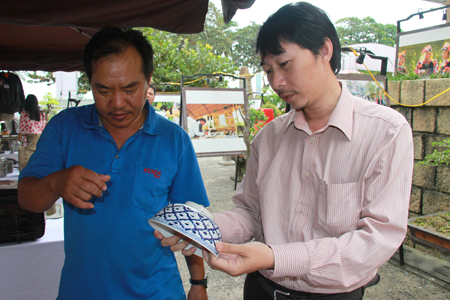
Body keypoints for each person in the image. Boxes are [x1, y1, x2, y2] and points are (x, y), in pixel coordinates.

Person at [157, 2, 414, 300]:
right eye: (268, 70)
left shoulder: (385, 131)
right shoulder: (269, 138)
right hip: (261, 290)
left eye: (285, 64)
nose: (276, 82)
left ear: (324, 50)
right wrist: (204, 228)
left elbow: (379, 238)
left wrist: (276, 257)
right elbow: (251, 214)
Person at [18, 27, 209, 300]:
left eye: (130, 89)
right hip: (82, 292)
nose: (117, 103)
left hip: (157, 291)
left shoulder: (174, 140)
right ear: (90, 82)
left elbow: (191, 218)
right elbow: (27, 199)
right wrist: (56, 181)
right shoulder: (64, 127)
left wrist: (198, 283)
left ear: (148, 80)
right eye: (103, 90)